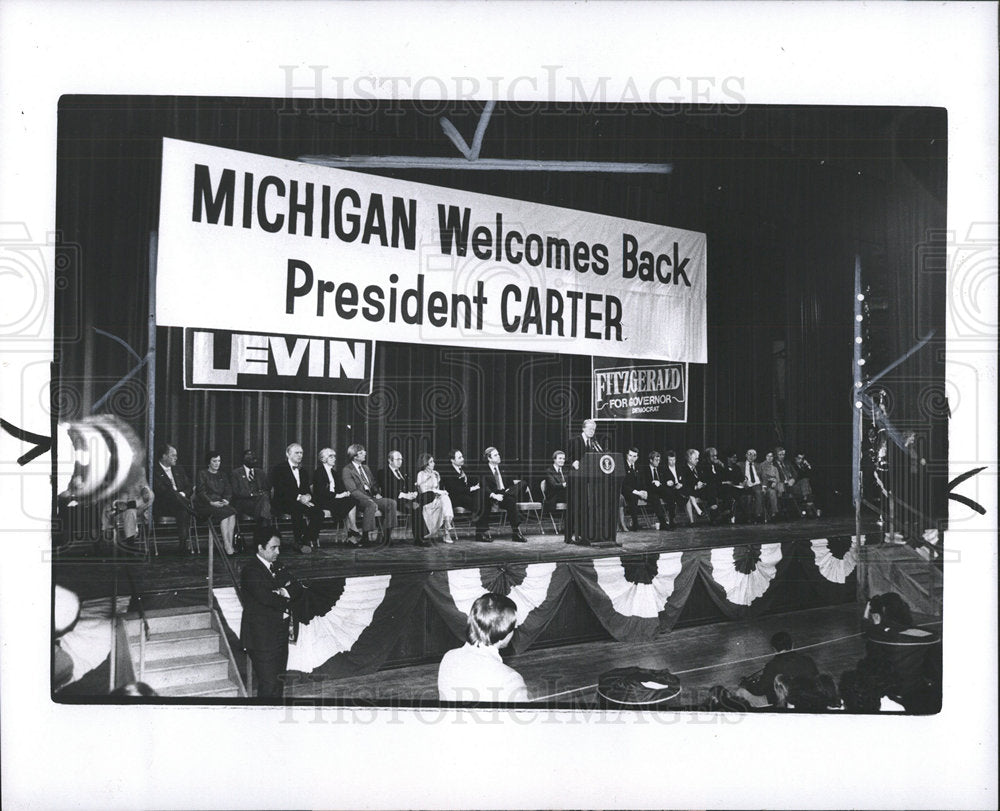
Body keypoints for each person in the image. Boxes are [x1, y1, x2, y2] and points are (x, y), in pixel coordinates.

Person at [239, 532, 301, 698]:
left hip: (279, 634)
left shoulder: (278, 565)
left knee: (279, 682)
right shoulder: (251, 570)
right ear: (260, 548)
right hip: (262, 637)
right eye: (273, 548)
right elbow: (266, 598)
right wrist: (285, 595)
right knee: (268, 684)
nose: (277, 552)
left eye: (278, 547)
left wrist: (281, 591)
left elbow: (297, 587)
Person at [437, 593, 528, 702]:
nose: (516, 628)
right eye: (513, 626)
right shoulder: (510, 679)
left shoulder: (448, 658)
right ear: (503, 632)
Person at [863, 592, 941, 712]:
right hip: (919, 693)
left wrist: (868, 611)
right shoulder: (929, 636)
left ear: (878, 616)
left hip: (889, 693)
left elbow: (866, 628)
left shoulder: (875, 636)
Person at [737, 631, 819, 706]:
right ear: (793, 645)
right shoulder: (808, 660)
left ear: (774, 649)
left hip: (783, 702)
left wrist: (747, 684)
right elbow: (817, 679)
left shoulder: (772, 666)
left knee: (740, 692)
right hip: (809, 699)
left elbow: (759, 690)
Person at [270, 442, 323, 554]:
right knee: (297, 508)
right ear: (288, 454)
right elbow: (281, 489)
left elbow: (307, 490)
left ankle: (305, 539)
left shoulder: (303, 471)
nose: (300, 455)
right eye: (297, 453)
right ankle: (298, 540)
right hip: (283, 501)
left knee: (318, 512)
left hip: (301, 501)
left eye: (301, 453)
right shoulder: (279, 469)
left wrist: (308, 496)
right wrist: (299, 497)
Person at [341, 443, 397, 546]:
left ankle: (387, 537)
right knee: (370, 504)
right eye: (361, 452)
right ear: (354, 456)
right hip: (358, 499)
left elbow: (374, 483)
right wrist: (368, 498)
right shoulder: (347, 470)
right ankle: (365, 537)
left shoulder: (366, 468)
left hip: (371, 496)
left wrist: (376, 493)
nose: (365, 454)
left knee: (391, 503)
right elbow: (353, 490)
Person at [151, 443, 196, 555]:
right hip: (163, 505)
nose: (176, 458)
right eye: (173, 455)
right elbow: (161, 491)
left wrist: (183, 494)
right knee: (172, 493)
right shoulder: (154, 471)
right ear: (164, 456)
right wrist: (177, 495)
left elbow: (189, 486)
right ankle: (194, 511)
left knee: (183, 511)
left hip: (180, 505)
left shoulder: (178, 469)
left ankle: (182, 546)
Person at [477, 447, 528, 543]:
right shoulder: (483, 470)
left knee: (523, 483)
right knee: (511, 499)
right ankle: (516, 532)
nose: (499, 456)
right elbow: (484, 486)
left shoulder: (504, 467)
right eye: (495, 455)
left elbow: (511, 484)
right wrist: (494, 495)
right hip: (493, 495)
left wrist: (506, 492)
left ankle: (515, 533)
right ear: (489, 458)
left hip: (504, 494)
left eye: (498, 454)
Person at [194, 450, 238, 555]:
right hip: (205, 504)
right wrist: (211, 502)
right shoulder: (202, 474)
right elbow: (200, 492)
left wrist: (226, 499)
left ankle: (229, 543)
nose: (217, 463)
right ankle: (227, 545)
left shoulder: (222, 474)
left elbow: (228, 490)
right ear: (208, 462)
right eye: (214, 461)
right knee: (225, 513)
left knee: (232, 512)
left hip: (219, 503)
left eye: (218, 461)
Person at [311, 448, 359, 543]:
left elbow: (340, 487)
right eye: (331, 456)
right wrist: (338, 496)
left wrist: (346, 493)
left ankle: (352, 532)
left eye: (334, 456)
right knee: (349, 503)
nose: (334, 459)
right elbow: (321, 492)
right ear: (323, 459)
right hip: (323, 501)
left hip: (334, 500)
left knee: (351, 500)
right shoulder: (318, 472)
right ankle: (352, 531)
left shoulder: (334, 472)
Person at [101, 473, 154, 547]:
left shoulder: (139, 477)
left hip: (135, 509)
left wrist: (145, 491)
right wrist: (117, 503)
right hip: (115, 509)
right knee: (107, 508)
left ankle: (130, 542)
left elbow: (148, 495)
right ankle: (105, 538)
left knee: (130, 511)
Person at [415, 453, 457, 544]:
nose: (433, 463)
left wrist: (438, 490)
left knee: (445, 498)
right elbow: (423, 491)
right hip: (427, 501)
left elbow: (437, 489)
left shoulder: (436, 474)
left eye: (433, 461)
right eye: (431, 462)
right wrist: (428, 479)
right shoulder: (421, 474)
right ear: (425, 464)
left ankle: (446, 528)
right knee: (444, 498)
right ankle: (447, 530)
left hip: (437, 500)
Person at [230, 449, 273, 526]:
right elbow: (236, 492)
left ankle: (263, 526)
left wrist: (261, 494)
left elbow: (267, 488)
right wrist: (252, 494)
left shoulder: (261, 473)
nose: (254, 460)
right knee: (265, 504)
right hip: (244, 503)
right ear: (244, 459)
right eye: (250, 458)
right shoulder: (236, 473)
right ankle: (265, 528)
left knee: (264, 499)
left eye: (254, 458)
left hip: (260, 501)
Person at [439, 449, 481, 514]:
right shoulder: (447, 471)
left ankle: (479, 518)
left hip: (468, 495)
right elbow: (454, 489)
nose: (462, 459)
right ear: (452, 460)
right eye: (459, 458)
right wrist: (471, 488)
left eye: (462, 457)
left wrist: (478, 484)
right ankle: (476, 518)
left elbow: (474, 480)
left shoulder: (466, 469)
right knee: (472, 500)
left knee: (481, 495)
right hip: (455, 497)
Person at [638, 450, 671, 530]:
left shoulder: (660, 469)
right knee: (655, 498)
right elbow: (643, 484)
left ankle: (671, 520)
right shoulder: (644, 469)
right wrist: (653, 483)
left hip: (659, 489)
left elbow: (663, 481)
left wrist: (665, 483)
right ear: (651, 460)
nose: (658, 462)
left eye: (659, 460)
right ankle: (663, 523)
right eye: (656, 460)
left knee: (670, 494)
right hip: (649, 491)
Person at [378, 450, 419, 514]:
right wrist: (404, 495)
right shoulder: (383, 472)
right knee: (415, 510)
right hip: (394, 500)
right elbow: (387, 490)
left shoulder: (403, 472)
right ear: (390, 460)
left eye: (401, 459)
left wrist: (414, 493)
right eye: (397, 459)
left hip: (408, 499)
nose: (400, 461)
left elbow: (411, 484)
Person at [620, 447, 647, 532]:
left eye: (634, 456)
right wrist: (637, 492)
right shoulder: (622, 466)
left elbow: (642, 481)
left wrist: (644, 491)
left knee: (653, 496)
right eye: (630, 456)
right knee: (633, 497)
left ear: (637, 457)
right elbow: (624, 485)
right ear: (627, 456)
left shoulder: (638, 467)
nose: (632, 458)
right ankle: (635, 524)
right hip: (626, 492)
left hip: (637, 492)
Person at [680, 448, 709, 524]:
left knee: (689, 495)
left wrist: (702, 483)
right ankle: (693, 518)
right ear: (690, 459)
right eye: (696, 459)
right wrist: (695, 486)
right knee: (688, 495)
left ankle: (695, 515)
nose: (698, 460)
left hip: (700, 491)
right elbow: (685, 483)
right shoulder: (683, 469)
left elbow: (704, 479)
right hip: (690, 491)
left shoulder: (699, 468)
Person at [698, 446, 727, 521]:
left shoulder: (717, 465)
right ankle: (714, 515)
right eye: (713, 456)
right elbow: (707, 479)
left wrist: (722, 466)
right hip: (705, 490)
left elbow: (723, 477)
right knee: (712, 487)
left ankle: (726, 511)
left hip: (716, 488)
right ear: (707, 457)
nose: (715, 457)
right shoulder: (703, 465)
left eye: (716, 455)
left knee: (727, 487)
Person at [542, 450, 569, 526]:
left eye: (563, 459)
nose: (562, 461)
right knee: (573, 498)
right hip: (553, 496)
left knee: (576, 498)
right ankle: (569, 526)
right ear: (554, 459)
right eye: (560, 458)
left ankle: (571, 526)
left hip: (564, 495)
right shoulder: (549, 471)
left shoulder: (566, 470)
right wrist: (565, 484)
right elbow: (553, 485)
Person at [740, 448, 765, 523]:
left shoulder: (759, 465)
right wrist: (741, 482)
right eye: (750, 454)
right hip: (746, 485)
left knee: (758, 492)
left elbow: (764, 477)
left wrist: (764, 486)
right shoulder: (740, 465)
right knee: (748, 496)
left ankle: (758, 515)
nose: (751, 456)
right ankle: (748, 516)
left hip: (756, 484)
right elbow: (736, 475)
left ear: (756, 457)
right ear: (746, 455)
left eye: (754, 455)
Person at [790, 452, 818, 517]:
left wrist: (808, 466)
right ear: (795, 458)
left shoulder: (803, 466)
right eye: (799, 458)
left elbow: (811, 475)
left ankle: (808, 502)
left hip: (804, 488)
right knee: (805, 481)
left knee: (807, 482)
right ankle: (809, 503)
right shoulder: (792, 465)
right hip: (795, 486)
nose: (801, 460)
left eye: (802, 458)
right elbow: (799, 476)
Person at [758, 450, 781, 522]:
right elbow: (759, 477)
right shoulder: (761, 465)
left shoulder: (775, 468)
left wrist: (775, 481)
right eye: (768, 456)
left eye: (771, 456)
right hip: (764, 485)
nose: (769, 458)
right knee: (771, 492)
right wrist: (764, 484)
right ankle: (763, 514)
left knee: (773, 492)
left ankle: (774, 513)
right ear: (765, 457)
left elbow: (778, 479)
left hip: (773, 486)